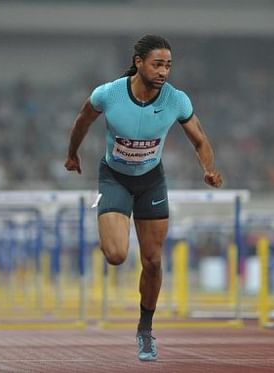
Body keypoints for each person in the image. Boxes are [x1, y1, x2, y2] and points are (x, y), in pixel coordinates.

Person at [65, 35, 222, 361]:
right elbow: (82, 120)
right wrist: (72, 154)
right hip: (115, 178)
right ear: (138, 62)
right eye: (157, 64)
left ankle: (145, 330)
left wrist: (208, 168)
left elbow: (200, 139)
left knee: (152, 261)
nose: (164, 71)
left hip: (151, 182)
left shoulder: (176, 100)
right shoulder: (108, 94)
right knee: (117, 255)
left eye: (168, 65)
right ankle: (109, 219)